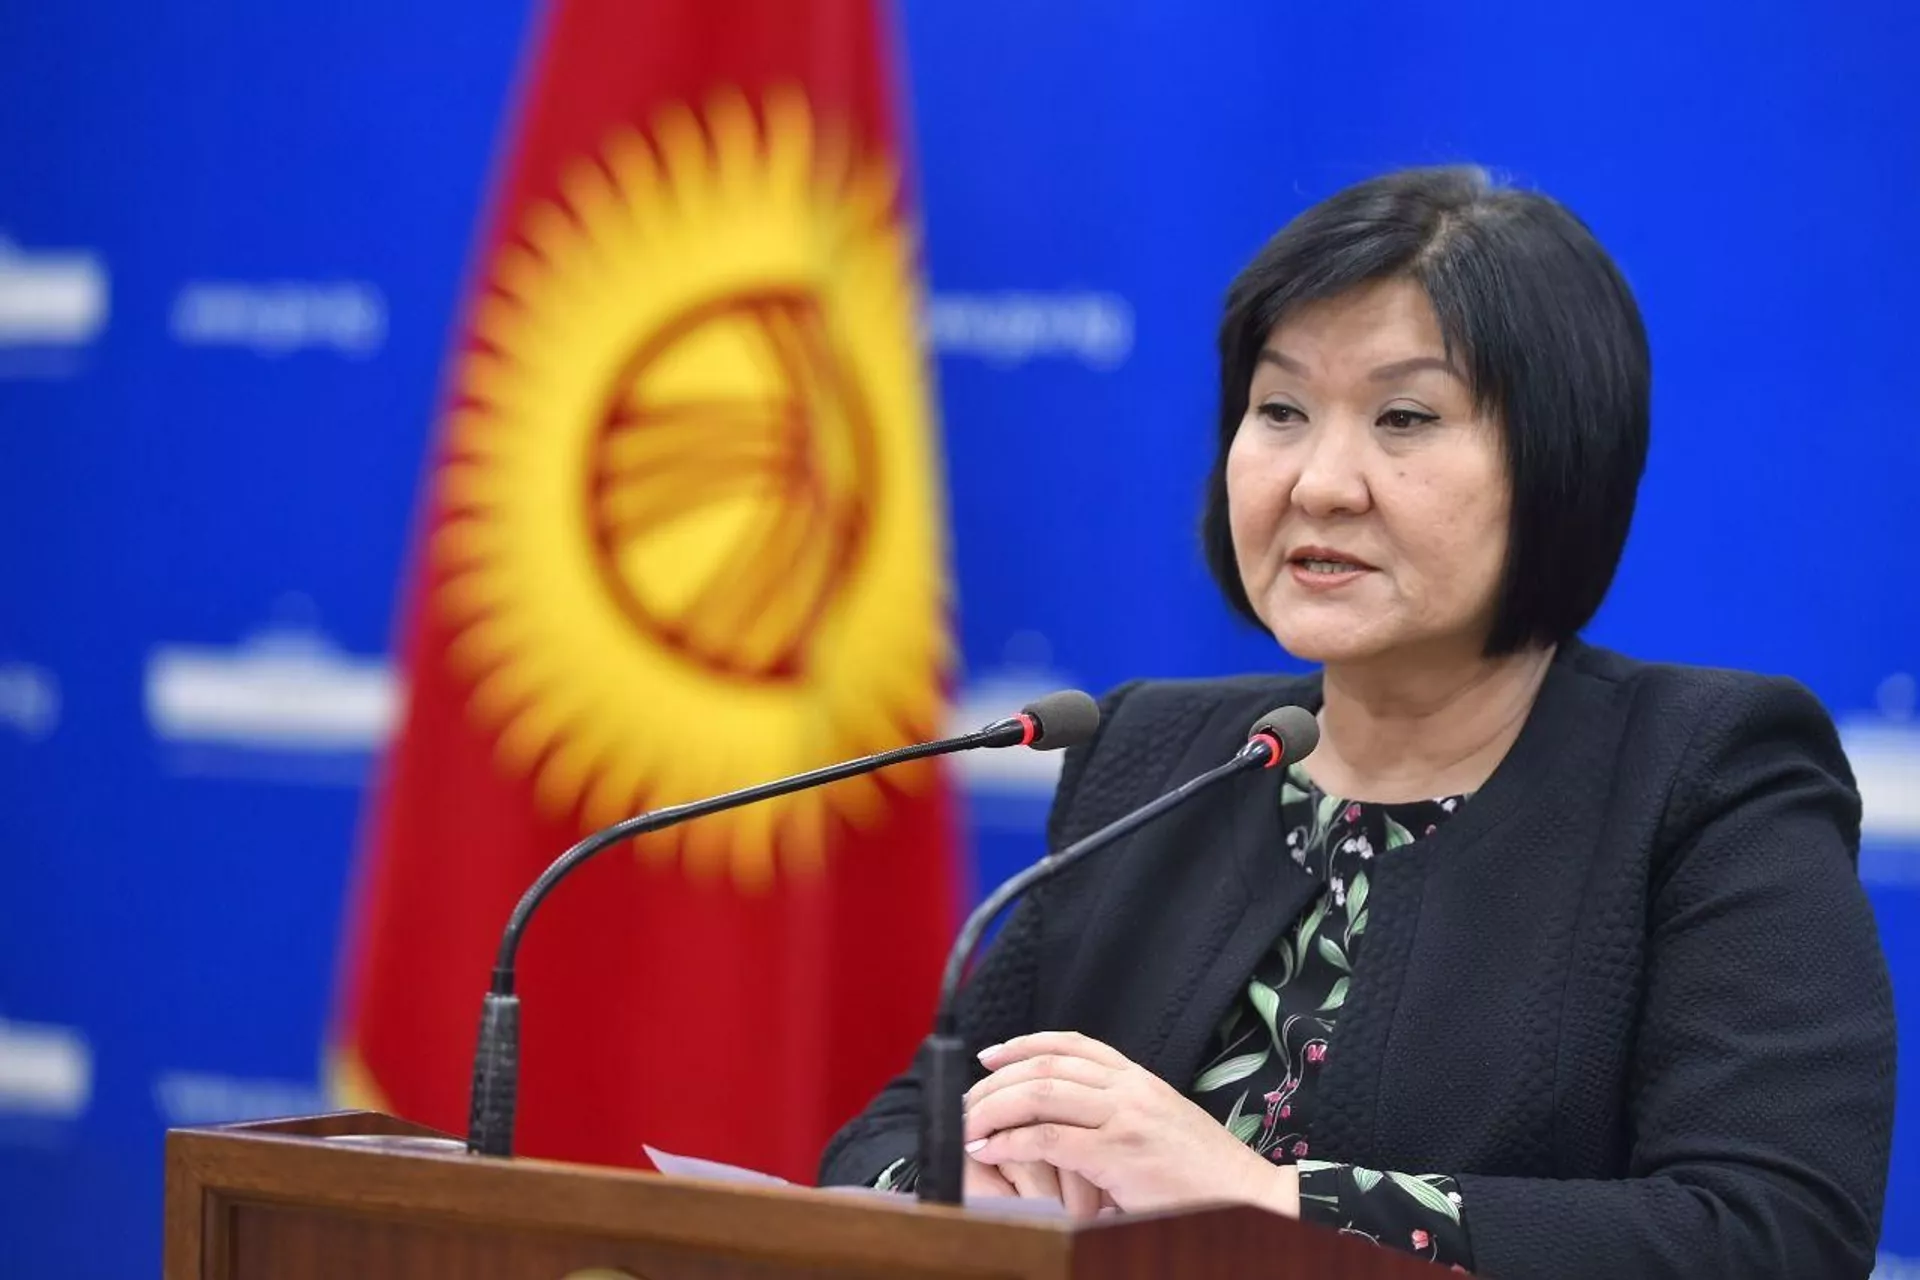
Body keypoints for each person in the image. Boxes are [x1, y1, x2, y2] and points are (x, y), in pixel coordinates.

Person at [818, 166, 1897, 1277]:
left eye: (1404, 418)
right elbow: (898, 1127)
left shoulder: (1706, 776)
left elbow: (1773, 1232)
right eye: (1280, 411)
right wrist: (962, 1185)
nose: (1320, 483)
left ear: (1560, 458)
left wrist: (1262, 1198)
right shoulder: (1154, 755)